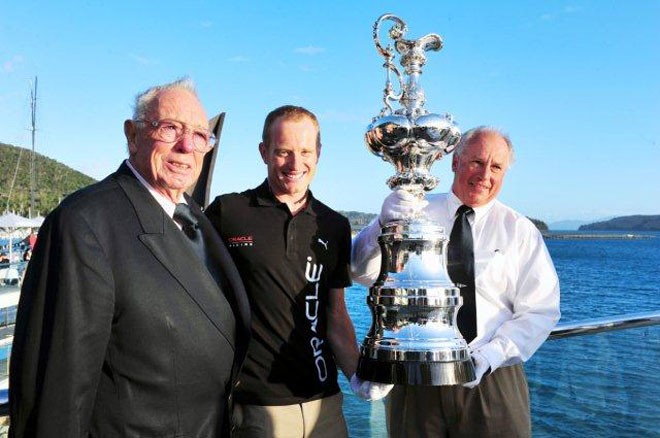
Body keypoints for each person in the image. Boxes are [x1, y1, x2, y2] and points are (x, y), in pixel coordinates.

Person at [9, 78, 251, 437]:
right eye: (170, 128)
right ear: (133, 135)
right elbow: (57, 390)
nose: (187, 146)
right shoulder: (85, 224)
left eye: (201, 135)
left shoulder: (196, 217)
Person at [351, 126, 561, 437]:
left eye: (496, 167)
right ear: (455, 162)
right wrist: (381, 224)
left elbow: (541, 310)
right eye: (476, 161)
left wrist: (488, 356)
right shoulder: (413, 211)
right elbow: (360, 271)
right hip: (416, 376)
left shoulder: (519, 230)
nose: (485, 174)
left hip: (492, 380)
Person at [205, 105, 390, 438]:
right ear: (264, 152)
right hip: (257, 407)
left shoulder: (333, 225)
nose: (294, 164)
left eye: (305, 151)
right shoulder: (228, 212)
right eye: (283, 152)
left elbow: (336, 316)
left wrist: (358, 376)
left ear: (318, 153)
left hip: (325, 403)